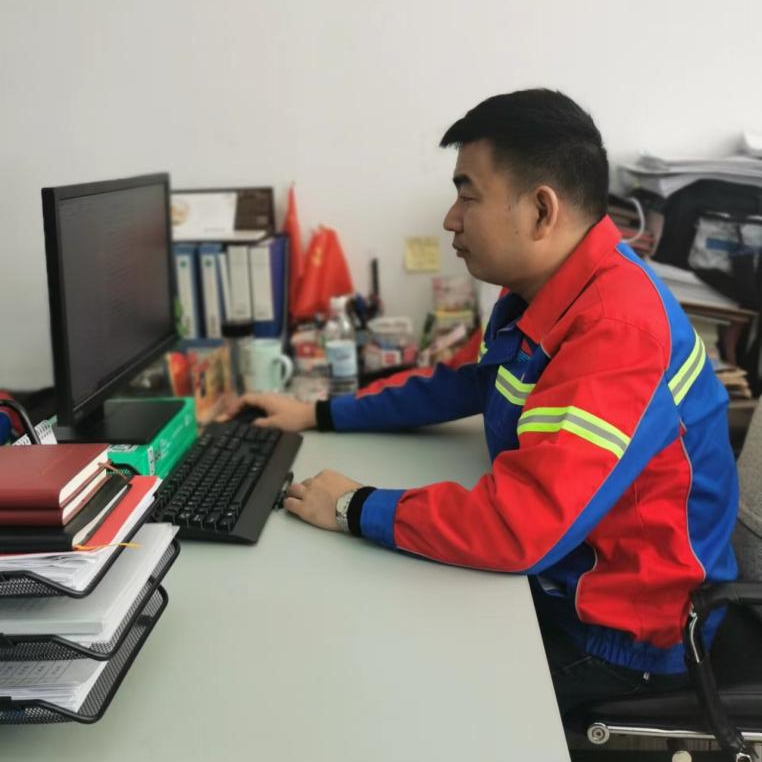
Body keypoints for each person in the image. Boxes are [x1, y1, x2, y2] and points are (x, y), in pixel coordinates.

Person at [228, 89, 739, 715]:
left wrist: (353, 506)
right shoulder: (547, 289)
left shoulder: (616, 329)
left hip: (627, 638)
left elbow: (522, 525)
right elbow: (467, 381)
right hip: (563, 578)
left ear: (542, 210)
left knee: (384, 693)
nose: (451, 219)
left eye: (467, 195)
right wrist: (318, 413)